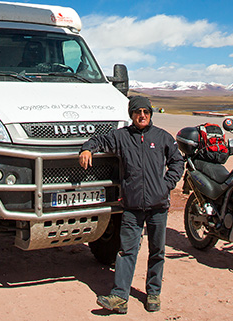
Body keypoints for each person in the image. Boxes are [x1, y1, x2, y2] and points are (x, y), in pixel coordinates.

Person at [79, 95, 184, 314]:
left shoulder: (162, 137)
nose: (142, 115)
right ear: (132, 115)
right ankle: (119, 297)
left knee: (157, 251)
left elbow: (177, 161)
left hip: (158, 206)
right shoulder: (122, 137)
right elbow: (98, 140)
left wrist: (166, 185)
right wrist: (86, 149)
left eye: (146, 112)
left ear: (150, 114)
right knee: (126, 251)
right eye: (138, 112)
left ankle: (153, 293)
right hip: (132, 207)